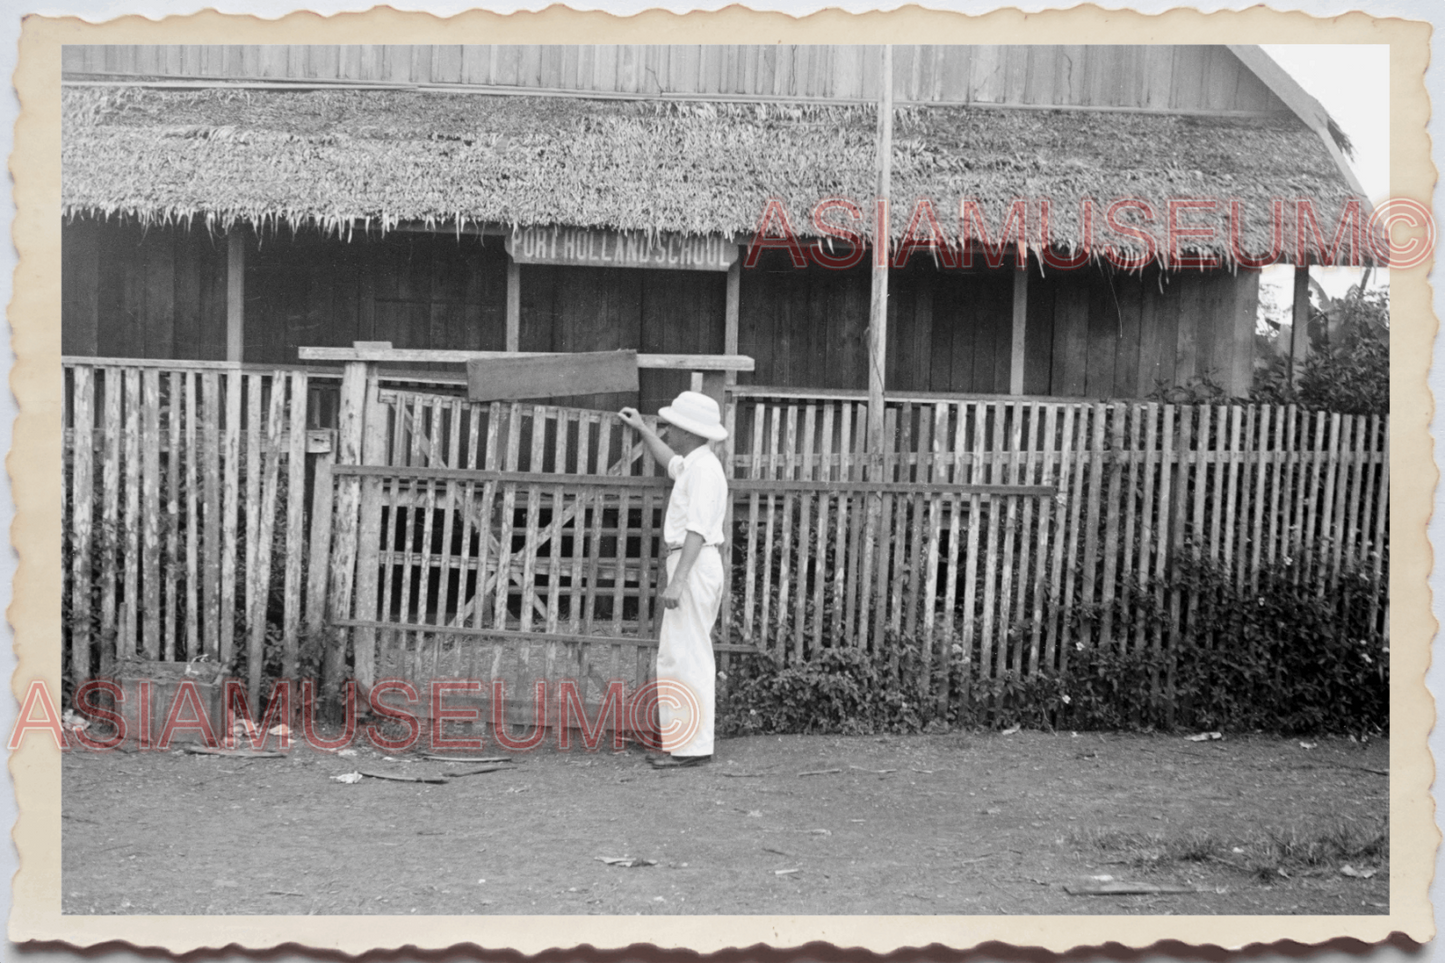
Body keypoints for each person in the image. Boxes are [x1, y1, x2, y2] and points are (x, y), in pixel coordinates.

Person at [617, 391, 729, 769]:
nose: (670, 432)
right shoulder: (696, 464)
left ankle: (694, 748)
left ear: (690, 431)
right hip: (690, 562)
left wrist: (678, 582)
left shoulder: (705, 470)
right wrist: (642, 429)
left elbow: (696, 530)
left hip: (692, 564)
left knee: (690, 655)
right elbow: (671, 462)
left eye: (674, 427)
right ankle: (684, 744)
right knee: (678, 655)